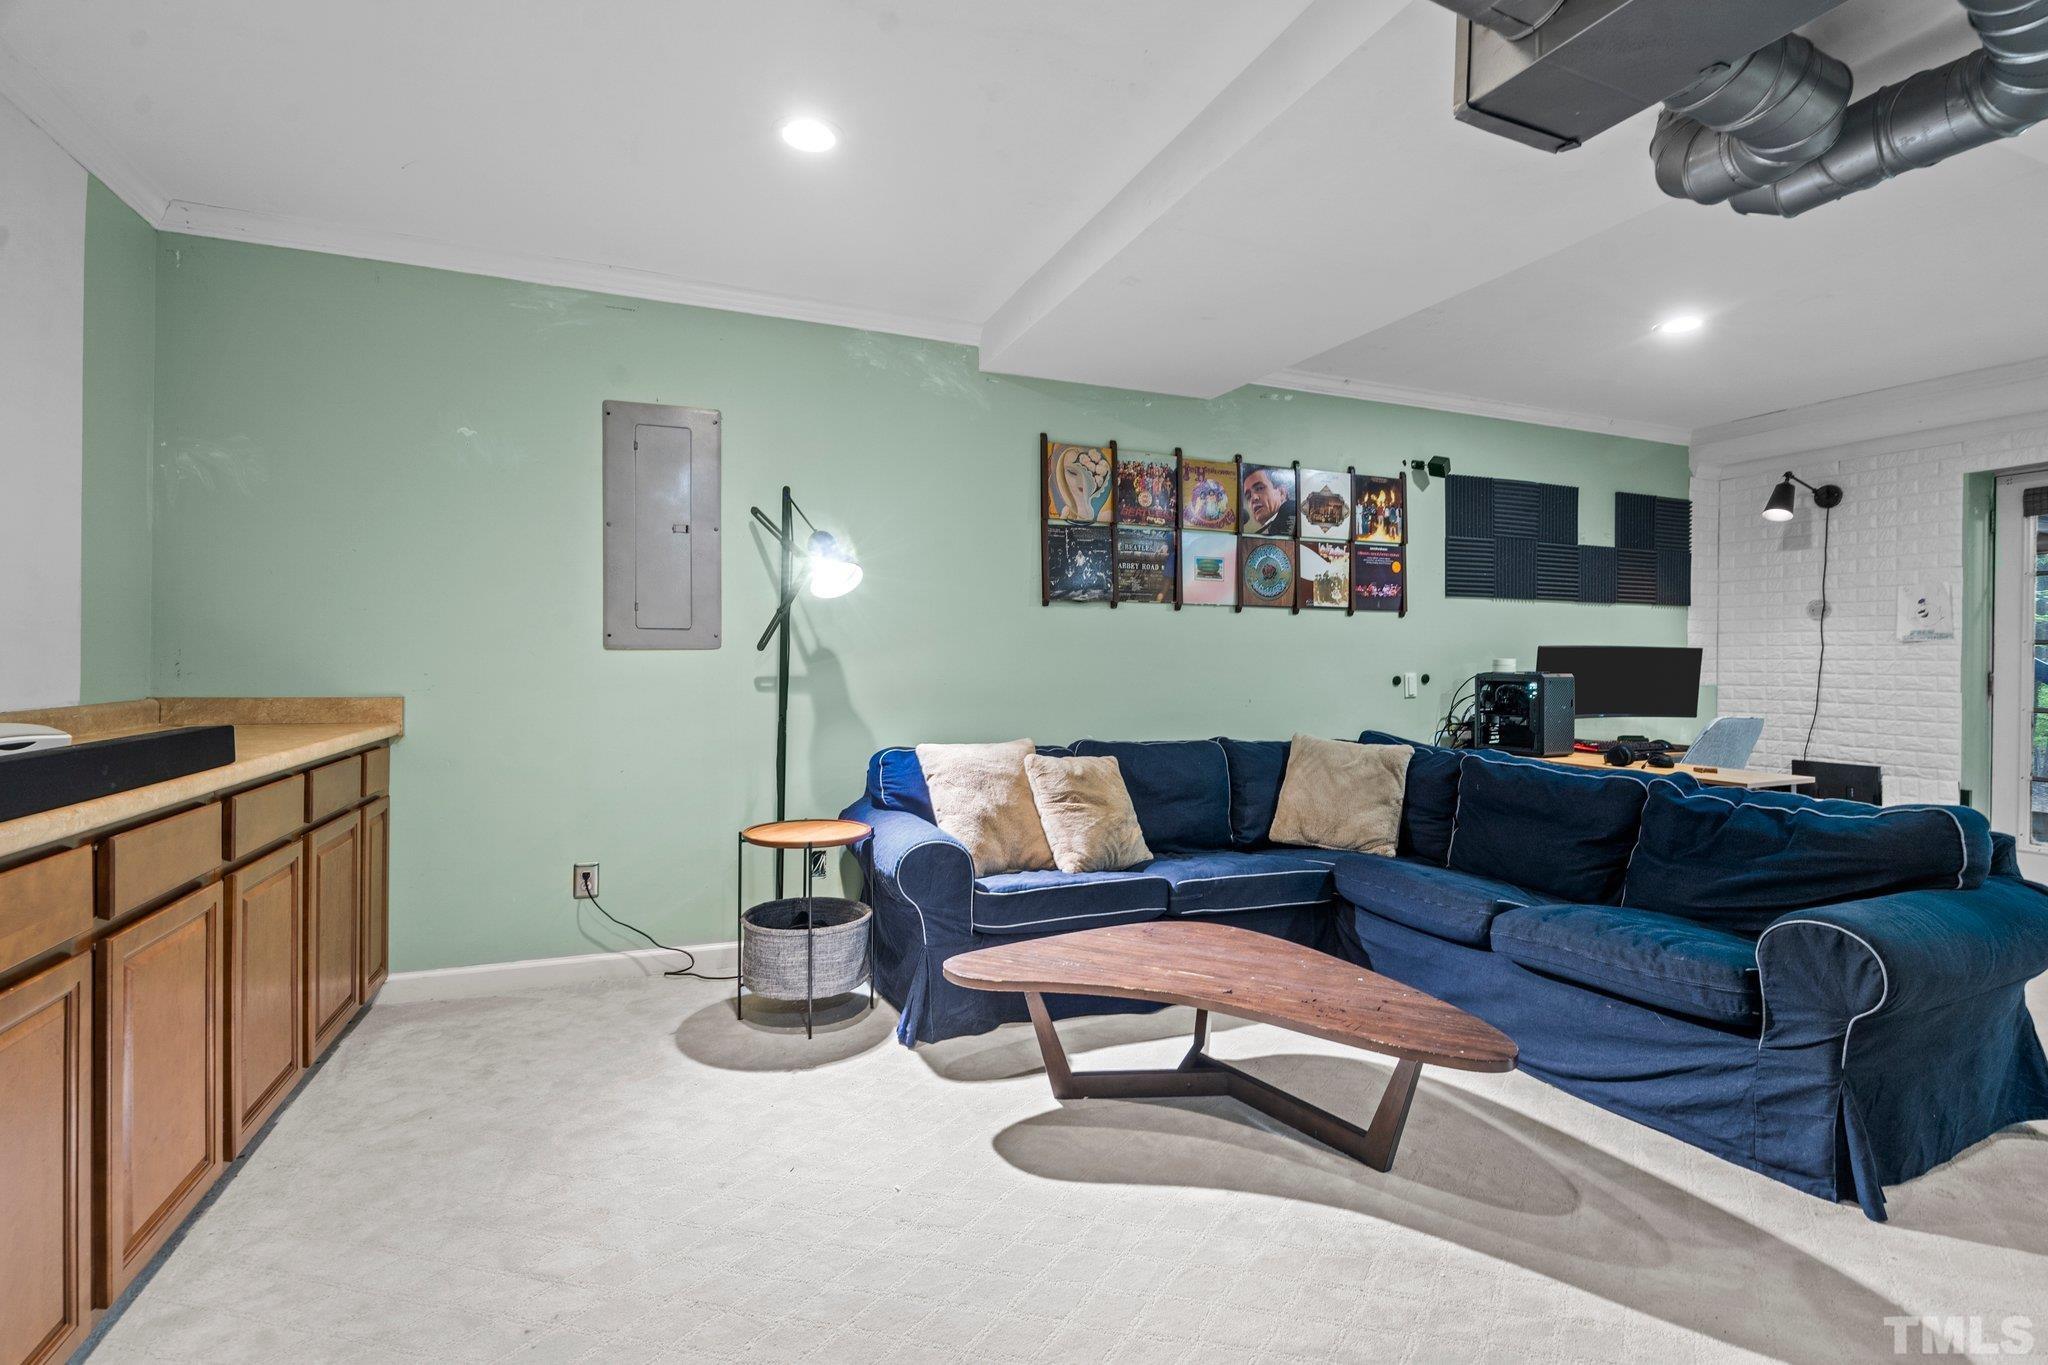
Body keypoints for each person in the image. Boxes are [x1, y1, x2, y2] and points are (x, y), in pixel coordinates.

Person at [1242, 466, 1296, 536]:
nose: (1253, 498)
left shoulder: (1295, 516)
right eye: (1248, 496)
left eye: (1259, 488)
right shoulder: (1260, 534)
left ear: (1281, 492)